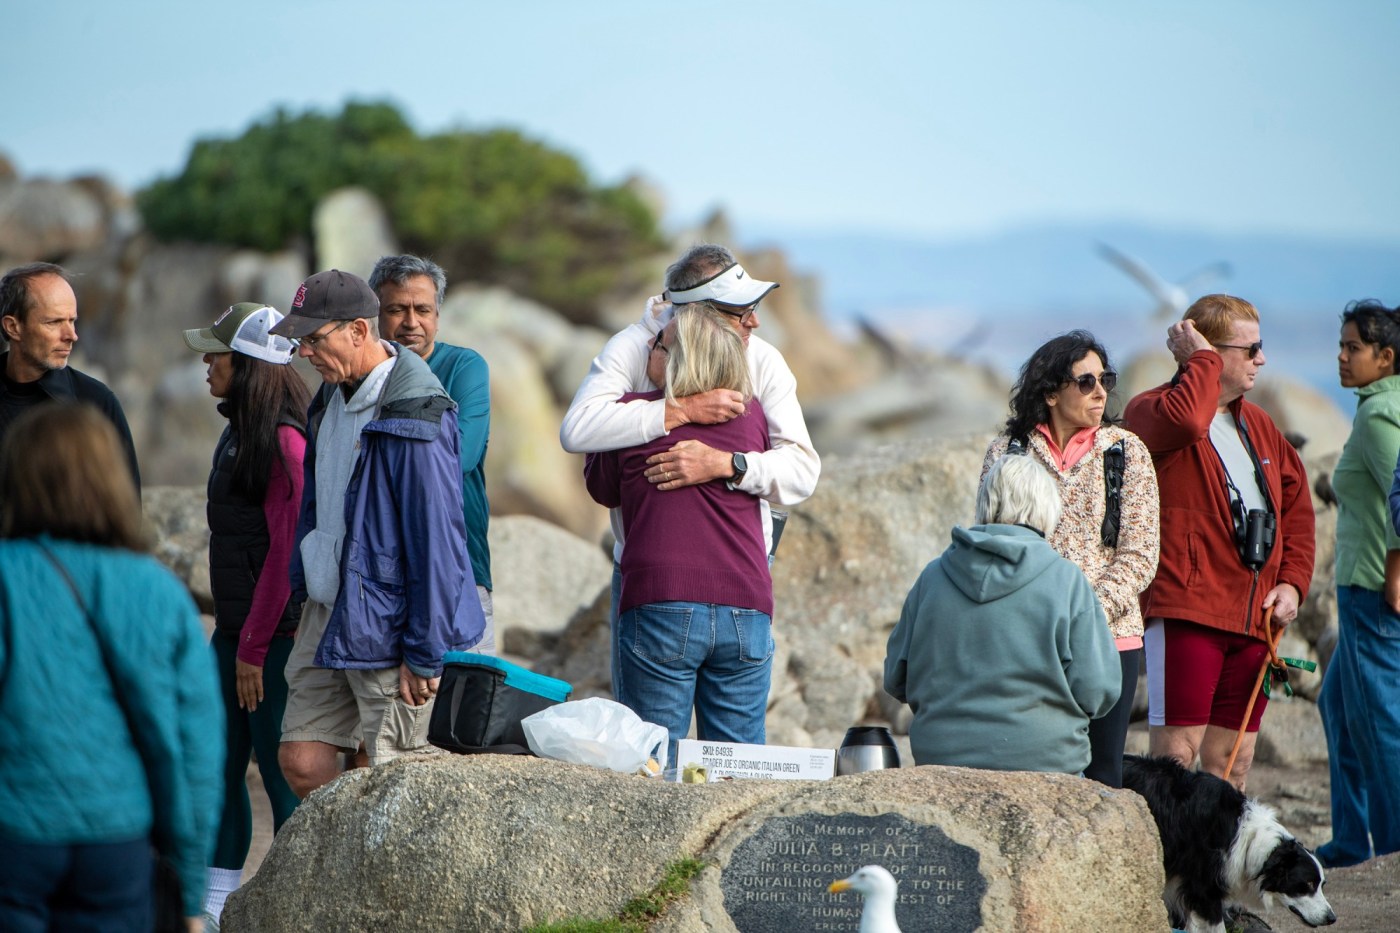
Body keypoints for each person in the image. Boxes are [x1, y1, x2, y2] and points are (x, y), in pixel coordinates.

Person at [0, 403, 221, 932]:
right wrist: (190, 893)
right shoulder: (159, 591)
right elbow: (198, 751)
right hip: (119, 840)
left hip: (15, 836)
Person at [560, 244, 820, 693]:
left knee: (705, 753)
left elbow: (802, 472)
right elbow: (577, 430)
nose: (754, 322)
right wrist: (678, 408)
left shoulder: (763, 359)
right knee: (652, 745)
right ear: (699, 314)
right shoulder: (633, 347)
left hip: (740, 574)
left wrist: (725, 464)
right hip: (649, 573)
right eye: (742, 312)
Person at [268, 270, 485, 799]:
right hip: (328, 610)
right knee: (302, 759)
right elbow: (317, 505)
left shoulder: (415, 412)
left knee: (388, 779)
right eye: (301, 341)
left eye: (314, 340)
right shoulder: (330, 395)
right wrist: (304, 591)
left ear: (359, 331)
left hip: (389, 617)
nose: (304, 354)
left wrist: (425, 651)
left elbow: (437, 541)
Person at [1124, 295, 1315, 791]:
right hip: (1188, 611)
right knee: (1175, 760)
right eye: (1250, 349)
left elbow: (1297, 509)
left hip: (1254, 618)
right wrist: (1200, 362)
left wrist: (1292, 583)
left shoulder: (1261, 427)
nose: (1262, 359)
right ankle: (1168, 868)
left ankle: (1219, 869)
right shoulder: (1152, 410)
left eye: (1261, 347)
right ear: (1204, 351)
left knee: (1235, 761)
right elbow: (1189, 422)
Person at [584, 307, 773, 764]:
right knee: (739, 769)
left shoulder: (630, 414)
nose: (650, 348)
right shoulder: (752, 418)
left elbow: (601, 489)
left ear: (677, 361)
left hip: (661, 601)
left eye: (660, 344)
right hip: (747, 605)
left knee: (653, 760)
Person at [981, 331, 1159, 788]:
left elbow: (1140, 554)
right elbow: (990, 539)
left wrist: (1085, 616)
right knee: (1029, 775)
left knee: (1102, 779)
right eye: (1086, 382)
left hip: (1109, 641)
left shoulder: (1127, 452)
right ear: (1051, 391)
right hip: (1026, 640)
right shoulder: (1007, 452)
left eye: (1106, 379)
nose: (1101, 392)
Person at [181, 302, 309, 925]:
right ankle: (213, 900)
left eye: (217, 353)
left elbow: (286, 555)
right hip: (234, 634)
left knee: (282, 775)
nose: (207, 363)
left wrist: (254, 649)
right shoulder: (240, 430)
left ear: (250, 363)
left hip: (270, 642)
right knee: (215, 763)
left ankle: (291, 906)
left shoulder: (286, 442)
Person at [884, 454, 1121, 773]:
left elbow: (895, 679)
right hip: (1047, 765)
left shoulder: (933, 577)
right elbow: (1099, 691)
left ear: (985, 503)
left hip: (941, 761)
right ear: (1047, 510)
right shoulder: (1066, 580)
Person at [369, 254, 495, 654]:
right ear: (374, 315)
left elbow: (459, 459)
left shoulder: (464, 368)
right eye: (395, 310)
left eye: (422, 309)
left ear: (437, 314)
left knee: (464, 708)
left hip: (458, 569)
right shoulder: (360, 377)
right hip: (374, 573)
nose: (410, 322)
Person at [1320, 300, 1400, 867]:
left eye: (1354, 347)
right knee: (1336, 706)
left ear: (1386, 357)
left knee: (1382, 722)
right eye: (1342, 345)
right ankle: (1351, 838)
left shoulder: (1378, 417)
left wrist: (1396, 569)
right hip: (1362, 586)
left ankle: (1393, 845)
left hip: (1372, 590)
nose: (1342, 357)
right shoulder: (1378, 406)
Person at [0, 262, 140, 493]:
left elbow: (124, 508)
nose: (71, 336)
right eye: (53, 322)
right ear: (13, 327)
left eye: (72, 320)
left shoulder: (96, 402)